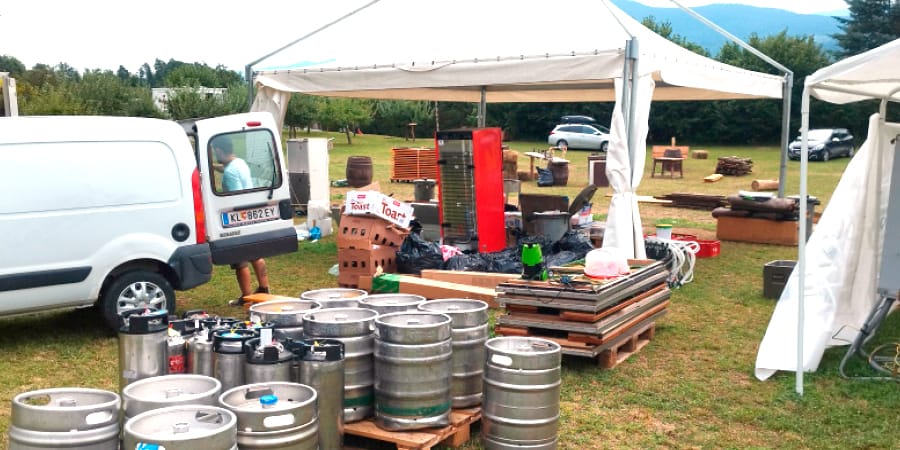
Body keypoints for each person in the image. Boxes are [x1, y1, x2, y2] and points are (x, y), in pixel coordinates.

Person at [210, 136, 271, 306]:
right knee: (256, 255)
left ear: (219, 150)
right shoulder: (240, 163)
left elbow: (235, 198)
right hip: (249, 215)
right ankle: (264, 288)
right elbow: (227, 169)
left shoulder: (230, 172)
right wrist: (212, 166)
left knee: (240, 261)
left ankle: (246, 297)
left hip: (236, 219)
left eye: (215, 151)